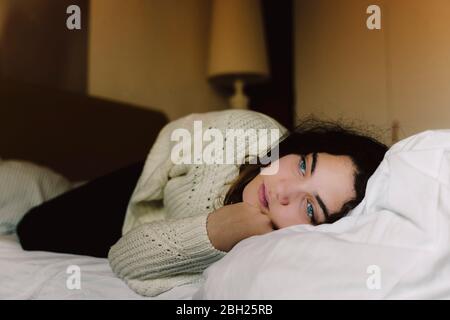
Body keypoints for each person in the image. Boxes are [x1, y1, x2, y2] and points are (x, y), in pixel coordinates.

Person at [15, 109, 388, 297]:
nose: (283, 189)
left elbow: (124, 257)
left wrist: (222, 230)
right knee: (33, 225)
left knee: (33, 230)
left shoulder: (268, 257)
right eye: (304, 164)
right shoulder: (250, 135)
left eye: (310, 208)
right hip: (151, 185)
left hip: (141, 229)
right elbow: (176, 139)